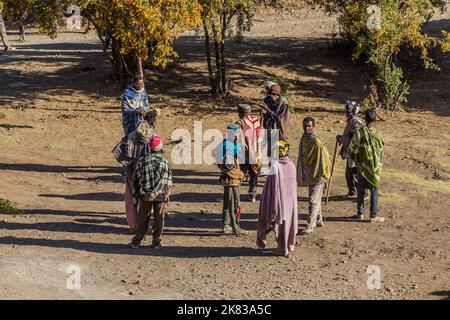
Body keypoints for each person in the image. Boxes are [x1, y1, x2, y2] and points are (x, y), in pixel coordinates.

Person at [113, 113, 155, 232]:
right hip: (147, 176)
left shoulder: (130, 137)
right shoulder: (152, 138)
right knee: (145, 201)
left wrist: (127, 168)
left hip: (132, 174)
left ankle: (134, 225)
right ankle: (144, 226)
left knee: (132, 200)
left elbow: (121, 155)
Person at [128, 136, 173, 249]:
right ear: (159, 148)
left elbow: (136, 178)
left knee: (143, 218)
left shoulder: (143, 160)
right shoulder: (164, 162)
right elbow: (168, 181)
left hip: (145, 195)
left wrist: (137, 193)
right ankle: (156, 242)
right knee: (159, 218)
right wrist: (167, 195)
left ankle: (137, 241)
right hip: (160, 195)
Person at [257, 140, 298, 257]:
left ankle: (282, 248)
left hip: (279, 202)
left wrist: (271, 205)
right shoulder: (291, 164)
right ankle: (290, 244)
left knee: (281, 226)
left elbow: (272, 188)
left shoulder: (275, 166)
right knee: (289, 224)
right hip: (291, 203)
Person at [348, 109, 385, 223]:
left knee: (360, 188)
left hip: (361, 166)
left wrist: (357, 160)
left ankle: (360, 213)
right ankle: (373, 216)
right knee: (374, 189)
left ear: (365, 119)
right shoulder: (378, 135)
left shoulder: (359, 133)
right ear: (375, 120)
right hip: (374, 167)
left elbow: (352, 149)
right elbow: (381, 151)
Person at [297, 117, 331, 234]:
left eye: (309, 126)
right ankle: (319, 220)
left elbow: (325, 158)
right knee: (316, 199)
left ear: (313, 127)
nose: (306, 128)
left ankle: (310, 226)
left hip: (318, 174)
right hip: (310, 172)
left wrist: (322, 173)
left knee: (312, 201)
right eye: (305, 125)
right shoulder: (304, 138)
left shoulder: (317, 142)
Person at [216, 123, 247, 236]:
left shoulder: (225, 144)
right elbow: (228, 167)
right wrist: (239, 174)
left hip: (228, 179)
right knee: (234, 203)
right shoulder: (228, 147)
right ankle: (235, 227)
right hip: (231, 180)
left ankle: (226, 225)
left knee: (227, 202)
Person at [336, 101, 365, 198]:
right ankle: (354, 192)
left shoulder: (354, 122)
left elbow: (354, 140)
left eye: (347, 110)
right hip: (357, 152)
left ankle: (357, 192)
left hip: (354, 153)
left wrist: (341, 139)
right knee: (352, 173)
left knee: (352, 173)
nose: (346, 112)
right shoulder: (357, 121)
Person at [236, 104, 263, 202]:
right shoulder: (256, 120)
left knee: (240, 173)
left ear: (240, 113)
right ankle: (252, 195)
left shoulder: (240, 123)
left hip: (245, 153)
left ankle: (235, 194)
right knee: (254, 174)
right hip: (256, 151)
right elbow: (260, 137)